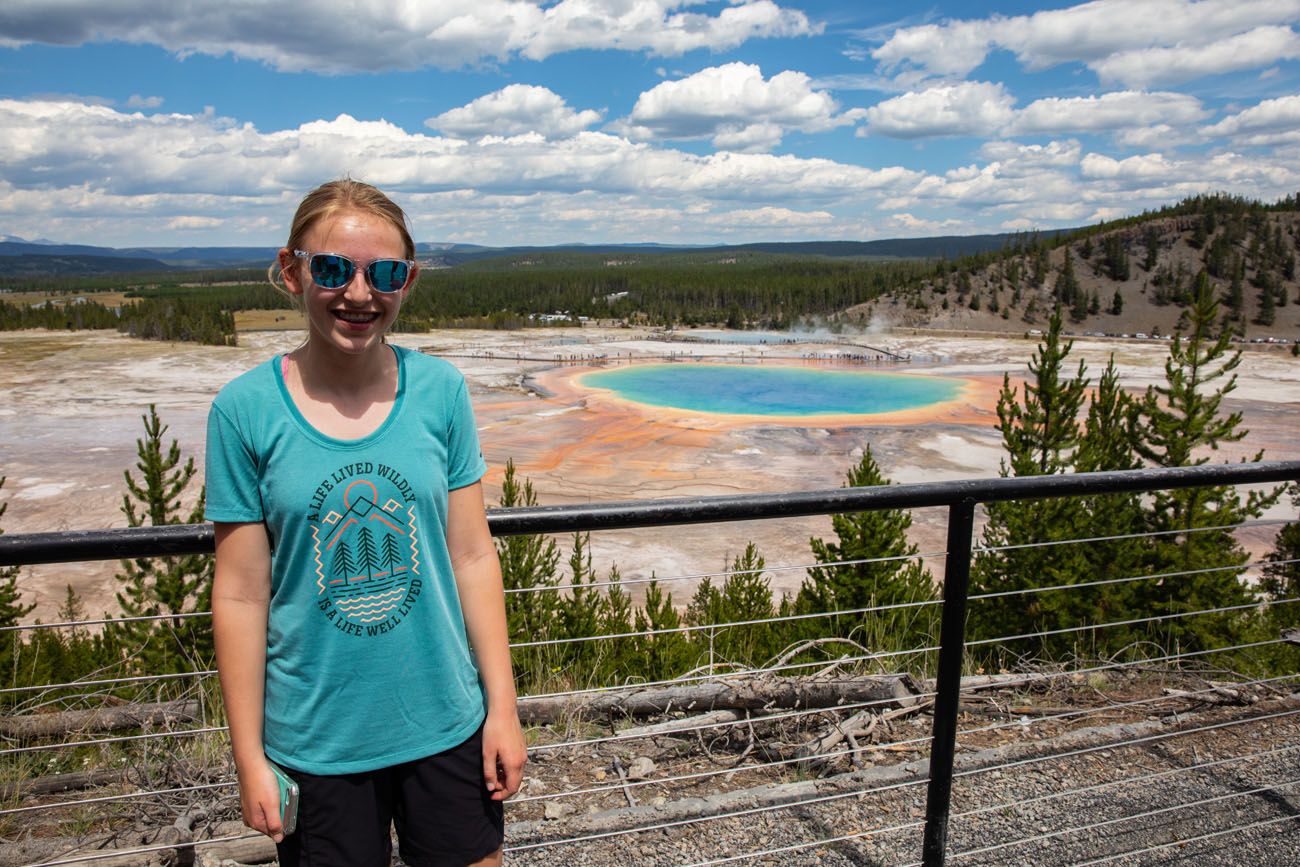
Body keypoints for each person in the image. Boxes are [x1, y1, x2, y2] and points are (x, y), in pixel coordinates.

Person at [205, 179, 525, 866]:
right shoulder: (244, 411)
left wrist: (503, 707)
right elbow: (238, 594)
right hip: (316, 741)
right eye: (331, 269)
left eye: (383, 273)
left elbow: (472, 556)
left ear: (406, 280)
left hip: (445, 722)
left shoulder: (440, 392)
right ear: (291, 272)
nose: (358, 293)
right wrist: (248, 756)